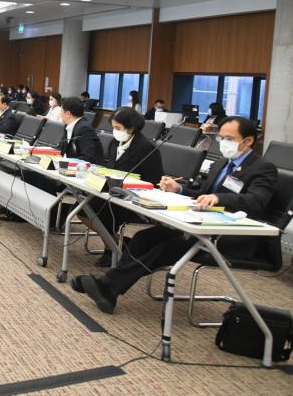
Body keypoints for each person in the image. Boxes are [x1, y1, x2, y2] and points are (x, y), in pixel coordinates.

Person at [73, 116, 277, 314]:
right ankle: (109, 288)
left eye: (229, 139)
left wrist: (218, 197)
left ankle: (107, 285)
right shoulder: (221, 164)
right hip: (200, 224)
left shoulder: (262, 168)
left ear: (248, 141)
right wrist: (178, 188)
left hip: (231, 235)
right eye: (221, 138)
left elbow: (256, 201)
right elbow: (201, 194)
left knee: (169, 246)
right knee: (143, 238)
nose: (223, 143)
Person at [83, 107, 164, 267]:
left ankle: (113, 250)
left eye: (118, 128)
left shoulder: (146, 148)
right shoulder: (114, 143)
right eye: (113, 127)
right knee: (83, 208)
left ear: (131, 128)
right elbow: (111, 169)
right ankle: (115, 246)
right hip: (113, 194)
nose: (115, 131)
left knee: (98, 211)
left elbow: (154, 181)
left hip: (134, 200)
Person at [58, 96, 103, 164]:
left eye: (61, 111)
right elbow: (62, 149)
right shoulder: (68, 125)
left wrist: (67, 161)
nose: (60, 114)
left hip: (88, 168)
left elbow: (88, 157)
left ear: (68, 114)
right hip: (70, 165)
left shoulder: (84, 129)